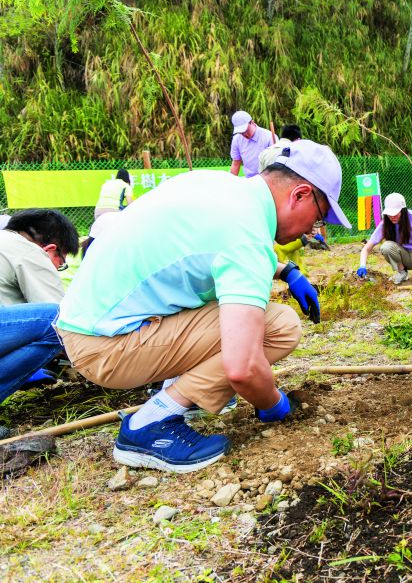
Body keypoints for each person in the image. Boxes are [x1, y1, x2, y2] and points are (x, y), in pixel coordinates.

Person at [56, 140, 351, 473]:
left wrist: (285, 270)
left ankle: (189, 393)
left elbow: (206, 251)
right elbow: (242, 368)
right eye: (318, 218)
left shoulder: (220, 186)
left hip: (89, 322)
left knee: (235, 308)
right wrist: (274, 404)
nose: (313, 229)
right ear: (300, 194)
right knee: (279, 327)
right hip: (106, 348)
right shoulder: (246, 236)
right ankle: (150, 424)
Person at [0, 209, 79, 404]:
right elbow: (64, 321)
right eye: (61, 263)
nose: (58, 269)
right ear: (51, 249)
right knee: (56, 320)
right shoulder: (26, 250)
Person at [356, 193, 412, 284]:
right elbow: (367, 248)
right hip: (404, 259)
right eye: (389, 214)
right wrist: (362, 266)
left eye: (395, 213)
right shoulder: (385, 224)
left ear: (403, 211)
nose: (392, 217)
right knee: (386, 246)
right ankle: (402, 272)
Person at [229, 110, 273, 179]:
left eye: (246, 130)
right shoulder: (237, 139)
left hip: (268, 180)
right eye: (241, 132)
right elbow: (236, 164)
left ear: (252, 122)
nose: (244, 134)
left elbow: (277, 165)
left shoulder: (269, 137)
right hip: (249, 180)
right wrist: (230, 183)